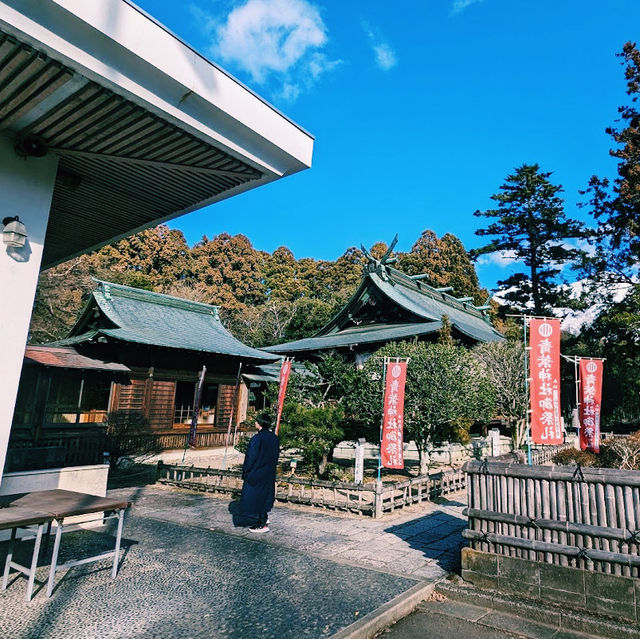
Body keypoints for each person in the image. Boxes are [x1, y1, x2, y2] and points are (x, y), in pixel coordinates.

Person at [240, 412, 280, 532]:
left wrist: (246, 471)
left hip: (257, 471)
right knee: (266, 495)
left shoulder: (257, 438)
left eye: (256, 421)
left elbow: (250, 457)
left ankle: (262, 523)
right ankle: (264, 517)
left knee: (255, 495)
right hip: (269, 471)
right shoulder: (274, 437)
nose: (255, 423)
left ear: (260, 424)